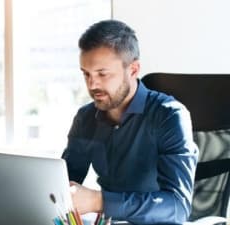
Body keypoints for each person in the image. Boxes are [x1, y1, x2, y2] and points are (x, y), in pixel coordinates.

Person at [61, 20, 199, 225]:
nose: (92, 84)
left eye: (102, 73)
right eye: (86, 74)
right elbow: (63, 184)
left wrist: (100, 201)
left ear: (133, 70)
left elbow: (177, 208)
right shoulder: (85, 118)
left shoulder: (170, 116)